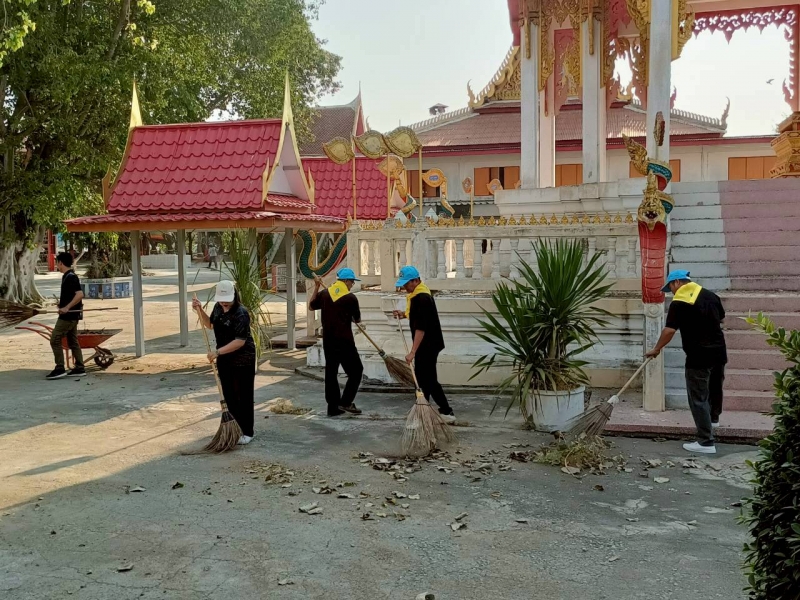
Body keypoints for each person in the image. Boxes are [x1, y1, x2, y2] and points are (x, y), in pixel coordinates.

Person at [646, 270, 727, 455]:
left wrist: (656, 349)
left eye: (671, 288)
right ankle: (713, 420)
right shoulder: (711, 296)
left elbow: (669, 330)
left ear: (676, 282)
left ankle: (706, 442)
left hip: (698, 356)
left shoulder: (679, 302)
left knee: (698, 397)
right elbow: (721, 318)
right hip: (719, 352)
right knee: (715, 388)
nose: (672, 292)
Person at [193, 281, 256, 445]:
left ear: (234, 296)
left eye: (227, 300)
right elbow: (210, 324)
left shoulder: (241, 313)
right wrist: (199, 310)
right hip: (225, 358)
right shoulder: (218, 308)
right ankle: (234, 428)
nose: (224, 303)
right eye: (221, 300)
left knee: (244, 395)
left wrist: (217, 352)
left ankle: (247, 431)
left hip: (243, 359)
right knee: (228, 394)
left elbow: (240, 341)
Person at [392, 265, 455, 423]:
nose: (404, 287)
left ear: (415, 280)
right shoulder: (420, 293)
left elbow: (421, 328)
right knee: (425, 379)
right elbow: (418, 316)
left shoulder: (421, 298)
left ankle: (437, 412)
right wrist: (403, 314)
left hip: (427, 345)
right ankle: (436, 411)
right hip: (430, 343)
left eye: (406, 284)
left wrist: (413, 352)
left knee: (425, 379)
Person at [308, 267, 363, 417]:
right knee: (356, 371)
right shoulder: (351, 298)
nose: (352, 285)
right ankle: (345, 402)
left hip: (329, 341)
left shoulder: (325, 294)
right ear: (345, 281)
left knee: (331, 373)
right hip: (345, 341)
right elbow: (357, 319)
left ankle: (332, 408)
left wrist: (317, 287)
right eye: (351, 282)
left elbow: (311, 306)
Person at [46, 252, 86, 380]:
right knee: (72, 341)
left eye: (57, 263)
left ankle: (60, 368)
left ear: (60, 263)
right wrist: (62, 304)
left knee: (55, 339)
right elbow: (71, 295)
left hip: (68, 317)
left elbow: (79, 294)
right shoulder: (66, 276)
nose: (56, 265)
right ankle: (79, 368)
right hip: (71, 315)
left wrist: (67, 307)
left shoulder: (71, 277)